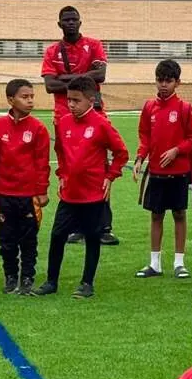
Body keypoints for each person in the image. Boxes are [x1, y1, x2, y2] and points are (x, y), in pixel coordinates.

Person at [34, 76, 127, 300]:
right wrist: (63, 174)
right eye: (69, 100)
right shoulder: (63, 122)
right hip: (69, 195)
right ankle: (51, 281)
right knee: (57, 236)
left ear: (91, 99)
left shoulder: (101, 124)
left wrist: (110, 176)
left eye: (76, 100)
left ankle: (87, 283)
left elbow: (121, 152)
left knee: (92, 238)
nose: (71, 105)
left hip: (93, 195)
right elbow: (60, 152)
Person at [41, 6, 116, 246]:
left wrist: (64, 78)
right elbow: (49, 86)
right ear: (59, 23)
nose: (71, 23)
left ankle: (103, 226)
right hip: (63, 118)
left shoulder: (93, 44)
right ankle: (77, 226)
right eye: (66, 20)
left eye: (74, 19)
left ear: (80, 22)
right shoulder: (52, 50)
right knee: (69, 168)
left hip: (95, 116)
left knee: (99, 168)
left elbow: (101, 76)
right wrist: (83, 79)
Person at [134, 59, 192, 281]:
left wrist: (176, 150)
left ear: (178, 82)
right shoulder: (148, 107)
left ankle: (179, 263)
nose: (163, 85)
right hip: (156, 172)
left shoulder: (184, 108)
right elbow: (144, 135)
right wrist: (140, 157)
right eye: (160, 80)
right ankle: (154, 263)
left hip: (179, 171)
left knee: (179, 215)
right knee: (156, 215)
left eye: (168, 81)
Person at [0, 79, 51, 296]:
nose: (30, 101)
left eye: (32, 96)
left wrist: (42, 190)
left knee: (28, 240)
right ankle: (9, 276)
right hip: (4, 193)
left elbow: (42, 162)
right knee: (6, 239)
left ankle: (27, 278)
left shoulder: (38, 128)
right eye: (25, 97)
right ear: (10, 99)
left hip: (28, 195)